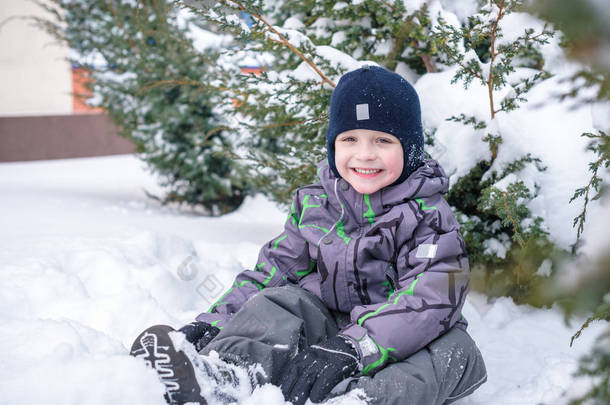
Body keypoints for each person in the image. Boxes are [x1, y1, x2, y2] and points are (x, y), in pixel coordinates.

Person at [130, 65, 487, 405]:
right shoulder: (315, 205)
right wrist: (214, 322)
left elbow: (433, 297)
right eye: (349, 139)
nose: (364, 154)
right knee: (281, 301)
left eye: (382, 140)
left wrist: (356, 347)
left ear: (409, 149)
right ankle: (229, 378)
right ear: (334, 145)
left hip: (402, 340)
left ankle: (354, 399)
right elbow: (270, 274)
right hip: (325, 340)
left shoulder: (429, 218)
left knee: (452, 351)